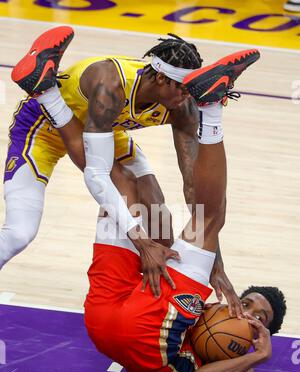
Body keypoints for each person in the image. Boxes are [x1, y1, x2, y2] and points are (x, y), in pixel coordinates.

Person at [4, 26, 256, 305]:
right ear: (161, 78)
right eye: (184, 89)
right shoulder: (110, 85)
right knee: (20, 232)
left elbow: (194, 190)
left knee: (155, 203)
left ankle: (166, 293)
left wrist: (213, 262)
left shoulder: (181, 107)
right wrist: (141, 242)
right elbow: (96, 176)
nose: (188, 97)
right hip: (42, 130)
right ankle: (44, 86)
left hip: (104, 131)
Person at [84, 121, 286, 372]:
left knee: (207, 218)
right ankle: (51, 102)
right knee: (122, 183)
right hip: (105, 318)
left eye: (258, 317)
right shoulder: (208, 308)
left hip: (148, 343)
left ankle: (209, 110)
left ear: (261, 335)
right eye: (247, 303)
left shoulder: (239, 368)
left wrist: (258, 356)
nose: (247, 314)